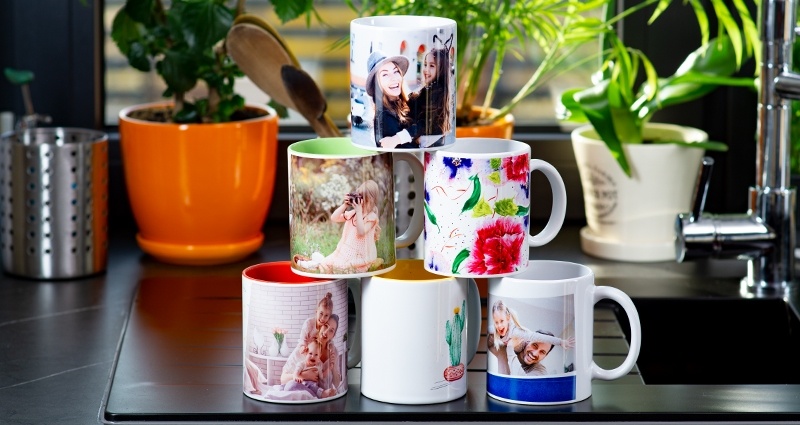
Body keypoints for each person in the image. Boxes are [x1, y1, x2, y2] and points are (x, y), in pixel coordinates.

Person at [296, 181, 382, 274]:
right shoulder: (353, 214)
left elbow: (361, 232)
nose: (359, 200)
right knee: (328, 263)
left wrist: (358, 211)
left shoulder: (371, 217)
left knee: (338, 267)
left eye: (362, 197)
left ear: (370, 199)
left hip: (361, 257)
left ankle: (315, 262)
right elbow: (334, 218)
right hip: (346, 252)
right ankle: (316, 262)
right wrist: (345, 205)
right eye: (358, 196)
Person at [487, 299, 574, 375]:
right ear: (528, 341)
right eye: (535, 345)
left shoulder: (540, 371)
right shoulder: (500, 332)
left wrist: (561, 342)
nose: (535, 353)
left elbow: (524, 385)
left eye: (542, 352)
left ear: (545, 356)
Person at [365, 50, 419, 149]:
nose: (394, 78)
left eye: (396, 71)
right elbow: (408, 153)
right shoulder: (385, 117)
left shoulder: (408, 101)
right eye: (385, 74)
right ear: (376, 84)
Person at [281, 314, 342, 395]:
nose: (326, 332)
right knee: (291, 386)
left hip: (320, 397)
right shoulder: (306, 348)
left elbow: (337, 384)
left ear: (333, 335)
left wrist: (332, 366)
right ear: (320, 325)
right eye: (326, 326)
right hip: (302, 392)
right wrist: (304, 375)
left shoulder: (334, 352)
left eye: (331, 330)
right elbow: (283, 379)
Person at [407, 47, 452, 148]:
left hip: (425, 145)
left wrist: (409, 136)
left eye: (432, 66)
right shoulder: (431, 88)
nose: (426, 70)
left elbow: (426, 123)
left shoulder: (437, 91)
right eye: (425, 64)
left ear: (441, 70)